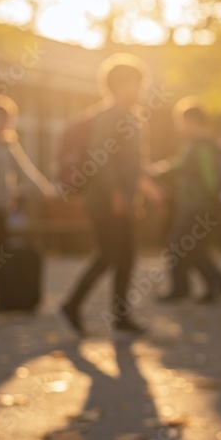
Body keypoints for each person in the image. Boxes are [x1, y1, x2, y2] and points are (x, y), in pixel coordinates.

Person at [59, 54, 162, 336]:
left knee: (125, 257)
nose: (141, 89)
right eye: (137, 83)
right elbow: (99, 157)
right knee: (108, 255)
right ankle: (72, 304)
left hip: (123, 199)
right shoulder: (108, 117)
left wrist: (141, 192)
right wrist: (117, 194)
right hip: (104, 200)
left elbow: (134, 163)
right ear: (120, 85)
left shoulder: (134, 117)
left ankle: (119, 316)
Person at [151, 98, 221, 302]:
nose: (180, 127)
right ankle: (218, 283)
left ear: (193, 121)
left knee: (178, 245)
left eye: (181, 121)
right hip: (196, 205)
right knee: (191, 247)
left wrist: (215, 204)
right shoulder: (199, 144)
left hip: (199, 207)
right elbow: (181, 165)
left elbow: (209, 177)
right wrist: (162, 170)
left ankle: (185, 288)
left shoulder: (202, 145)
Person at [0, 95, 53, 252]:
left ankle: (1, 277)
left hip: (2, 206)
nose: (2, 122)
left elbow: (24, 170)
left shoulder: (9, 146)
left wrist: (43, 188)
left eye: (5, 118)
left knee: (2, 247)